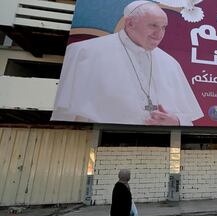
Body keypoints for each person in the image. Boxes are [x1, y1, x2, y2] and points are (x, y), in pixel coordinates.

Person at [51, 1, 203, 126]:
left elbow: (188, 120)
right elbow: (63, 113)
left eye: (163, 27)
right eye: (153, 26)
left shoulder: (171, 64)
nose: (159, 34)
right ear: (130, 23)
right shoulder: (83, 52)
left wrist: (176, 121)